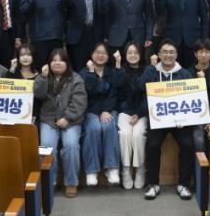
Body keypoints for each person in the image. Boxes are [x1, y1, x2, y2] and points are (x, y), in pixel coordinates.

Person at [140, 39, 194, 201]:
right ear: (159, 54)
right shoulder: (151, 71)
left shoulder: (185, 74)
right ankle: (153, 184)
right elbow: (138, 88)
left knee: (187, 144)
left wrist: (186, 118)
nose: (168, 55)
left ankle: (183, 184)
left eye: (171, 52)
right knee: (152, 144)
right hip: (158, 120)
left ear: (176, 55)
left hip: (180, 121)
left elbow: (192, 99)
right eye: (165, 52)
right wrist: (150, 68)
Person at [35, 48, 87, 198]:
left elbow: (80, 101)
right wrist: (43, 77)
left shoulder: (76, 78)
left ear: (67, 62)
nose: (57, 63)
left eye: (61, 60)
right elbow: (38, 94)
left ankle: (71, 182)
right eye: (54, 60)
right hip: (49, 119)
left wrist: (67, 117)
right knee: (47, 147)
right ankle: (49, 182)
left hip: (71, 121)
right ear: (49, 62)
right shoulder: (44, 76)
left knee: (71, 145)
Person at [155, 0, 209, 69]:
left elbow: (204, 17)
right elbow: (160, 13)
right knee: (173, 70)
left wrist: (203, 39)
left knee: (193, 71)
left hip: (194, 39)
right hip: (172, 39)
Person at [79, 43, 120, 186]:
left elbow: (114, 93)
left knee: (109, 126)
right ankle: (91, 170)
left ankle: (112, 168)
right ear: (91, 55)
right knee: (94, 128)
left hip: (108, 110)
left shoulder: (111, 72)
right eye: (97, 52)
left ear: (108, 56)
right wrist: (91, 72)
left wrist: (106, 110)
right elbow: (88, 91)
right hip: (90, 111)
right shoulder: (84, 72)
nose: (100, 55)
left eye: (104, 53)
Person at [114, 42, 148, 190]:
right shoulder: (120, 69)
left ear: (141, 54)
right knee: (125, 134)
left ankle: (140, 169)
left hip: (142, 111)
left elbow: (149, 94)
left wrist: (139, 113)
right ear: (125, 55)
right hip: (125, 110)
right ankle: (126, 170)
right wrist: (117, 64)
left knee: (138, 134)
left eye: (136, 52)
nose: (133, 55)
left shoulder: (147, 70)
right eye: (129, 52)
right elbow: (117, 85)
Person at [65, 0, 105, 72]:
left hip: (95, 34)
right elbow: (66, 11)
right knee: (79, 67)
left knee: (97, 66)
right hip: (78, 36)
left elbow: (104, 12)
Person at [188, 39, 210, 153]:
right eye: (200, 52)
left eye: (207, 52)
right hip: (195, 115)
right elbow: (190, 98)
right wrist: (200, 83)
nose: (203, 55)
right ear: (195, 54)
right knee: (199, 138)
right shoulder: (188, 72)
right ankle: (200, 165)